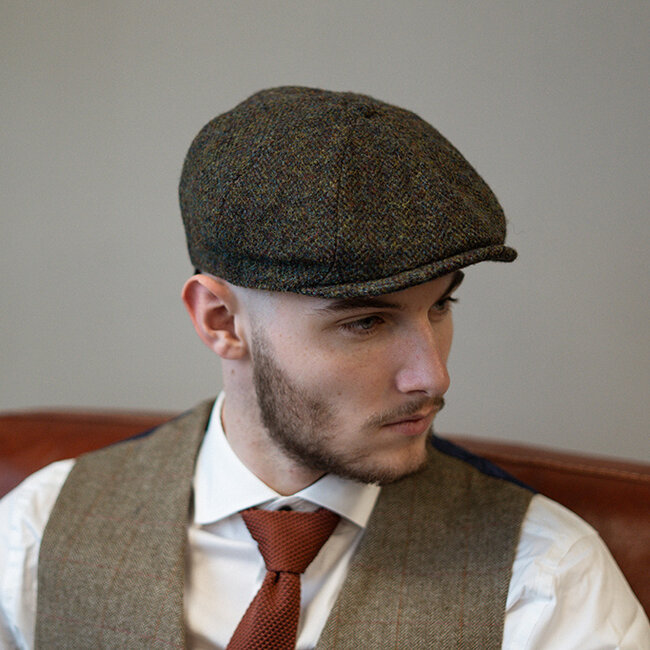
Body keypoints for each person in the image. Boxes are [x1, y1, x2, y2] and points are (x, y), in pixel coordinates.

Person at [0, 87, 647, 649]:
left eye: (441, 305)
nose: (433, 377)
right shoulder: (39, 532)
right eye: (365, 322)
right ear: (221, 322)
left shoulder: (543, 576)